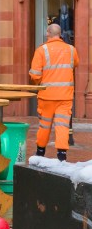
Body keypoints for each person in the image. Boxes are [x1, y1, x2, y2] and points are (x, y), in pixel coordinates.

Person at [30, 23, 78, 161]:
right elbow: (75, 63)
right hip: (65, 96)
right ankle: (62, 155)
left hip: (47, 96)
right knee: (62, 125)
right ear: (60, 34)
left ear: (48, 34)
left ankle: (40, 152)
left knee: (44, 125)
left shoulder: (41, 50)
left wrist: (38, 82)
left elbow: (35, 74)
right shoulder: (71, 49)